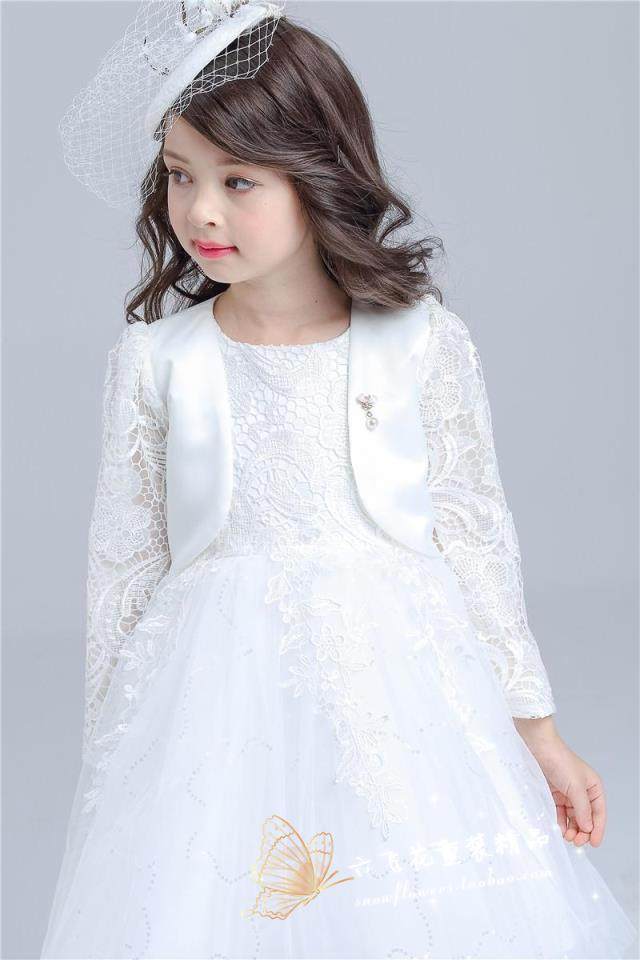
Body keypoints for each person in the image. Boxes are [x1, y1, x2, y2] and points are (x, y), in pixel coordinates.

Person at [41, 3, 637, 957]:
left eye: (238, 180)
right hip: (212, 696)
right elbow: (123, 569)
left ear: (317, 172)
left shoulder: (423, 342)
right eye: (181, 176)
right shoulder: (157, 361)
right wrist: (117, 760)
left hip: (401, 684)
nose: (200, 211)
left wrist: (538, 730)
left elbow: (474, 534)